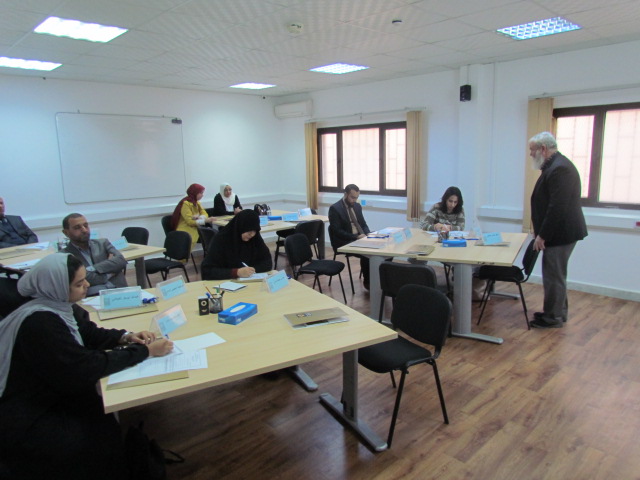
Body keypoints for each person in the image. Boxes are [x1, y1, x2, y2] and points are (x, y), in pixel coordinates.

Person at [0, 253, 173, 479]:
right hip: (29, 411)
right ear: (57, 287)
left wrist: (126, 337)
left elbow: (88, 333)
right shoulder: (41, 323)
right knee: (95, 434)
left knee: (103, 416)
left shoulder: (57, 305)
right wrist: (145, 351)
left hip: (51, 389)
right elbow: (85, 367)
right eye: (79, 283)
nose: (87, 286)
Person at [529, 131, 588, 329]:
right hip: (560, 232)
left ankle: (552, 317)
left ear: (543, 149)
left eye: (532, 150)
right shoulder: (554, 166)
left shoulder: (559, 168)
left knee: (553, 275)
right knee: (556, 274)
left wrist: (543, 235)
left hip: (560, 234)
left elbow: (557, 207)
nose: (530, 154)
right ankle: (557, 313)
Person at [62, 213, 128, 296]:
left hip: (119, 291)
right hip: (92, 295)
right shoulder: (65, 255)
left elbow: (121, 261)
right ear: (66, 232)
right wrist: (109, 271)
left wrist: (91, 269)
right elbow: (82, 279)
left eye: (86, 225)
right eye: (77, 228)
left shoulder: (103, 243)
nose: (84, 230)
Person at [201, 209, 272, 280]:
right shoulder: (222, 240)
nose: (252, 234)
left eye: (255, 231)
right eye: (249, 231)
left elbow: (268, 262)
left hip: (250, 282)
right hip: (226, 282)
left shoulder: (255, 239)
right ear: (240, 227)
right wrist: (236, 272)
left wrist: (251, 270)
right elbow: (207, 271)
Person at [328, 184, 371, 288]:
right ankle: (368, 282)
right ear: (345, 194)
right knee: (367, 254)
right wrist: (355, 237)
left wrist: (368, 234)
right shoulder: (335, 208)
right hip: (344, 241)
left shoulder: (357, 206)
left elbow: (363, 224)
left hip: (359, 237)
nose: (354, 200)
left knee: (382, 248)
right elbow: (337, 231)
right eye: (352, 197)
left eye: (356, 198)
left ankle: (379, 279)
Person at [171, 183, 216, 249]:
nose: (202, 195)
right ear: (195, 193)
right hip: (185, 230)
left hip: (195, 229)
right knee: (209, 236)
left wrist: (200, 217)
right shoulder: (185, 204)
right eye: (201, 193)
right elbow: (190, 222)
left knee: (211, 236)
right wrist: (204, 221)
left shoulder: (197, 203)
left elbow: (205, 214)